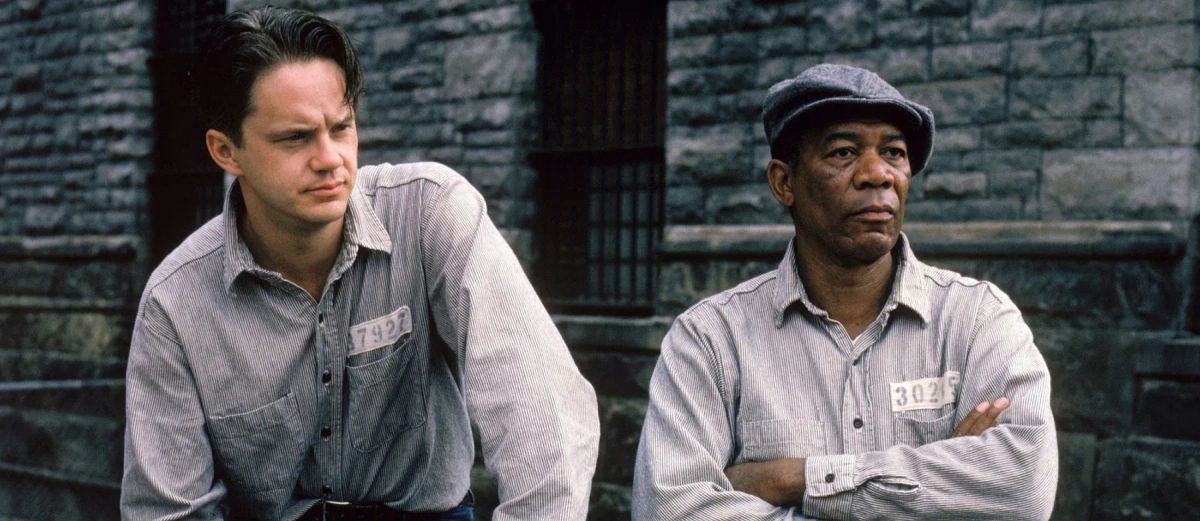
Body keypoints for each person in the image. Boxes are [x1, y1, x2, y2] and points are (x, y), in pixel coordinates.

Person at [121, 7, 598, 520]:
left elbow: (543, 417)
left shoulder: (431, 213)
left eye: (341, 128)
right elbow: (168, 511)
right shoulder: (176, 302)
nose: (330, 158)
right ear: (226, 150)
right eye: (295, 137)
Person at [632, 64, 1057, 520]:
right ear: (784, 182)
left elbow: (1023, 492)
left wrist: (793, 479)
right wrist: (937, 491)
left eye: (893, 153)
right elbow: (669, 511)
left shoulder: (977, 320)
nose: (877, 174)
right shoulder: (710, 340)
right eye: (843, 152)